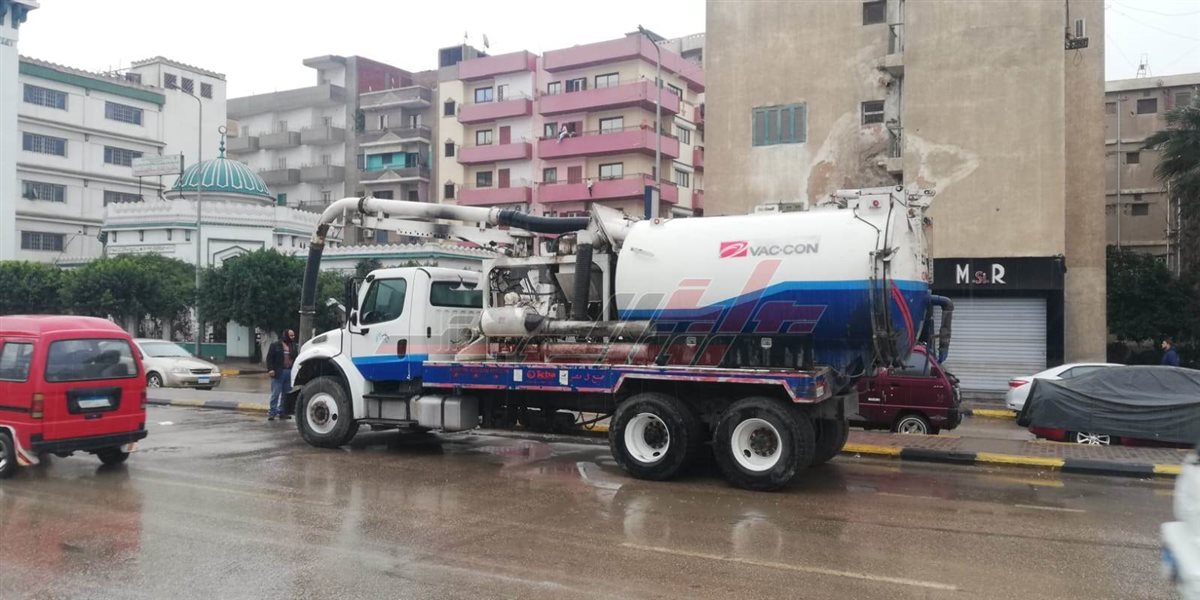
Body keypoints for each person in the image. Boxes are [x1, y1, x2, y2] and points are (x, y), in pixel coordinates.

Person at [266, 329, 297, 421]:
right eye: (291, 335)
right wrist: (270, 369)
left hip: (289, 372)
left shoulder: (293, 346)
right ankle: (272, 412)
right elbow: (269, 358)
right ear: (286, 335)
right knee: (275, 393)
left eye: (293, 335)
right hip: (278, 372)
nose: (293, 337)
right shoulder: (276, 345)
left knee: (286, 394)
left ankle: (282, 412)